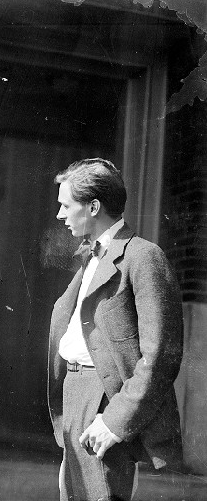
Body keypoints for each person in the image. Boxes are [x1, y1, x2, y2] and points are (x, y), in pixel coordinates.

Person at [48, 158, 183, 500]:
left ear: (93, 206)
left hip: (105, 401)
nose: (60, 215)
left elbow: (161, 356)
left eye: (66, 205)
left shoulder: (142, 256)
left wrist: (114, 421)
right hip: (75, 393)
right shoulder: (90, 257)